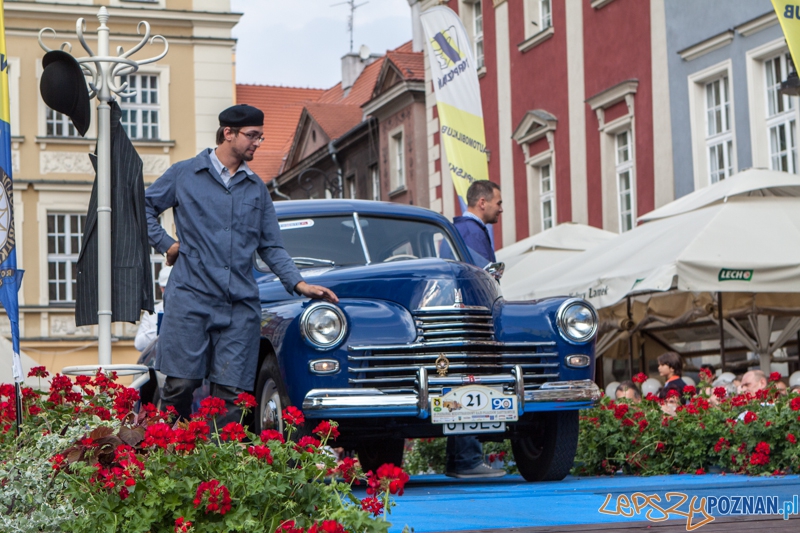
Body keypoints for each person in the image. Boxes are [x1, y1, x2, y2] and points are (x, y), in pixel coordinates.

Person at [144, 104, 338, 426]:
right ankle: (171, 449)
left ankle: (220, 455)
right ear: (228, 133)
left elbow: (271, 245)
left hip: (239, 306)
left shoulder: (256, 189)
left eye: (261, 137)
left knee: (232, 395)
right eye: (252, 135)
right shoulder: (184, 174)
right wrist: (168, 244)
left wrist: (299, 283)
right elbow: (144, 207)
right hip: (190, 298)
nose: (257, 143)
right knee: (181, 385)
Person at [446, 180, 505, 479]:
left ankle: (461, 457)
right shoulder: (471, 231)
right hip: (472, 319)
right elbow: (482, 277)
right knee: (470, 381)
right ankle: (467, 458)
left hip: (459, 318)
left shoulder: (458, 229)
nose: (501, 209)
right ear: (482, 202)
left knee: (461, 380)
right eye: (498, 202)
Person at [452, 180, 503, 265]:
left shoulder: (456, 229)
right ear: (482, 203)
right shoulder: (473, 233)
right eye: (498, 204)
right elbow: (482, 271)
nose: (501, 209)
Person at [134, 265, 172, 352]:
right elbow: (139, 344)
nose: (167, 291)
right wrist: (158, 330)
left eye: (170, 287)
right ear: (160, 288)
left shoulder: (186, 310)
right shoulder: (152, 313)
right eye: (164, 288)